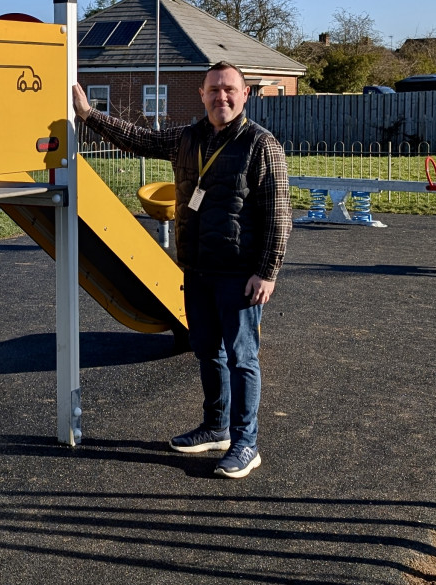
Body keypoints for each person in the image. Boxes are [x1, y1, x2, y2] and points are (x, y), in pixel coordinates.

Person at [71, 61, 291, 479]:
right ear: (202, 95)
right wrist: (88, 115)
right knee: (208, 352)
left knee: (243, 358)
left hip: (239, 273)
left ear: (245, 95)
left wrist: (267, 271)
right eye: (213, 90)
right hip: (196, 269)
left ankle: (246, 443)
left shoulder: (262, 145)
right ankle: (216, 426)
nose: (220, 97)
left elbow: (280, 214)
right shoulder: (187, 139)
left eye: (229, 90)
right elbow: (138, 139)